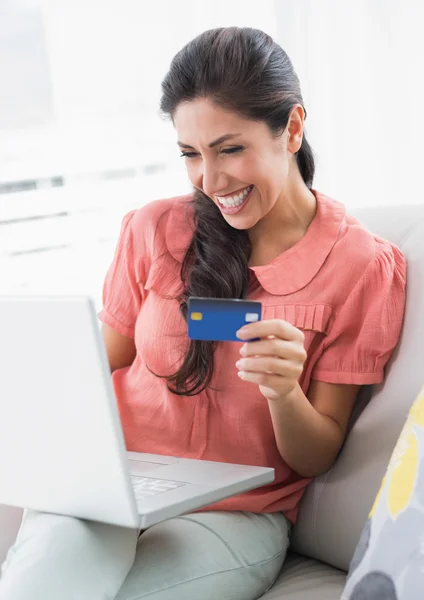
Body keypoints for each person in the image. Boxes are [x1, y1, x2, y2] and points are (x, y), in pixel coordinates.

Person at [0, 26, 406, 600]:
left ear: (291, 129)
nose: (209, 181)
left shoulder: (361, 267)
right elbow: (92, 372)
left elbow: (317, 455)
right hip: (117, 486)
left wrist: (285, 392)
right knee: (50, 572)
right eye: (190, 154)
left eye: (230, 149)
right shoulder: (154, 229)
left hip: (234, 517)